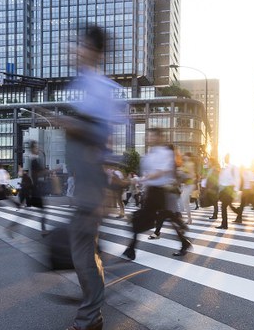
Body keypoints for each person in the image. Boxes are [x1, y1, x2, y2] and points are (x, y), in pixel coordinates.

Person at [51, 25, 125, 330]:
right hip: (85, 179)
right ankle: (92, 308)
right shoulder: (84, 85)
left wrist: (68, 122)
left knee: (82, 250)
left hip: (92, 179)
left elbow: (102, 136)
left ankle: (90, 318)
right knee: (85, 247)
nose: (75, 49)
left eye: (81, 45)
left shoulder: (99, 88)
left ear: (95, 52)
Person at [125, 128, 191, 258]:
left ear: (160, 137)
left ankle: (131, 249)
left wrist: (142, 179)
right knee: (164, 218)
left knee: (142, 217)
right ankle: (183, 239)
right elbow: (148, 172)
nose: (149, 138)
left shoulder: (165, 153)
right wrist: (141, 180)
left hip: (161, 192)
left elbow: (161, 172)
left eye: (152, 136)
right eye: (148, 136)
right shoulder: (150, 154)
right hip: (152, 191)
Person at [216, 154, 241, 229]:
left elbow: (237, 179)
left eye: (226, 157)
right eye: (225, 158)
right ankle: (238, 214)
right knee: (225, 206)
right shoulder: (225, 168)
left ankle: (224, 224)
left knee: (223, 206)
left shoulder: (234, 168)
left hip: (230, 189)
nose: (225, 159)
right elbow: (222, 180)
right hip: (224, 189)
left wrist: (235, 191)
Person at [178, 152, 197, 224]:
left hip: (190, 185)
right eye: (184, 156)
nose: (184, 157)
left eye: (186, 156)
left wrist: (185, 175)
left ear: (189, 157)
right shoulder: (184, 164)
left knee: (182, 200)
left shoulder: (191, 164)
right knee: (186, 203)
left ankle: (179, 217)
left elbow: (193, 175)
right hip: (185, 185)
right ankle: (189, 219)